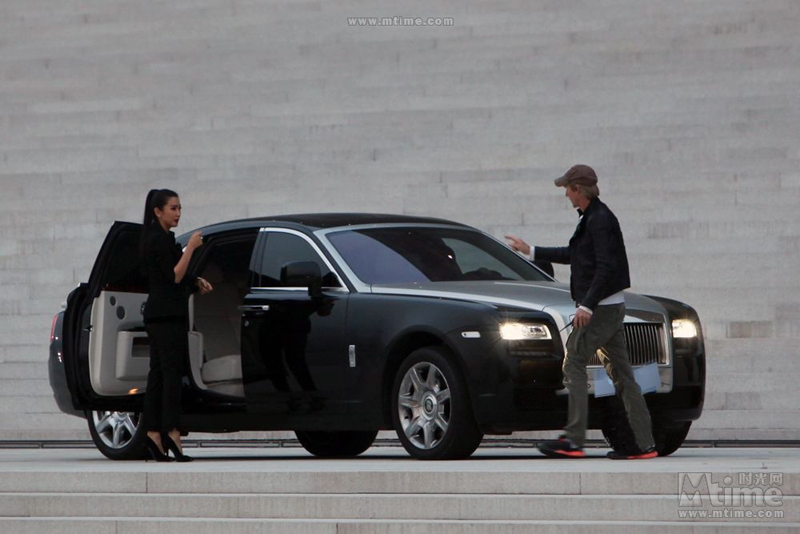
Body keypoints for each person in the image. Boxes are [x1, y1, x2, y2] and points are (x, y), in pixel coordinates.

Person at [505, 165, 657, 460]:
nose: (566, 194)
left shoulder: (599, 220)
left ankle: (573, 440)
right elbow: (575, 255)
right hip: (608, 307)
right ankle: (643, 444)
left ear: (579, 190)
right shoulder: (593, 218)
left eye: (568, 189)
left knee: (573, 360)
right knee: (623, 376)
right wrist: (530, 250)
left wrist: (587, 305)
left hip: (601, 309)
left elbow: (606, 267)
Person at [139, 189, 213, 462]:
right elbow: (173, 276)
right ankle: (169, 431)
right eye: (173, 208)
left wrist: (195, 281)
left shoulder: (162, 239)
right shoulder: (157, 240)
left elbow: (177, 275)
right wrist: (191, 247)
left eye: (180, 208)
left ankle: (154, 433)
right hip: (166, 316)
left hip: (163, 314)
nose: (178, 213)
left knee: (159, 375)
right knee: (169, 375)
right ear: (158, 211)